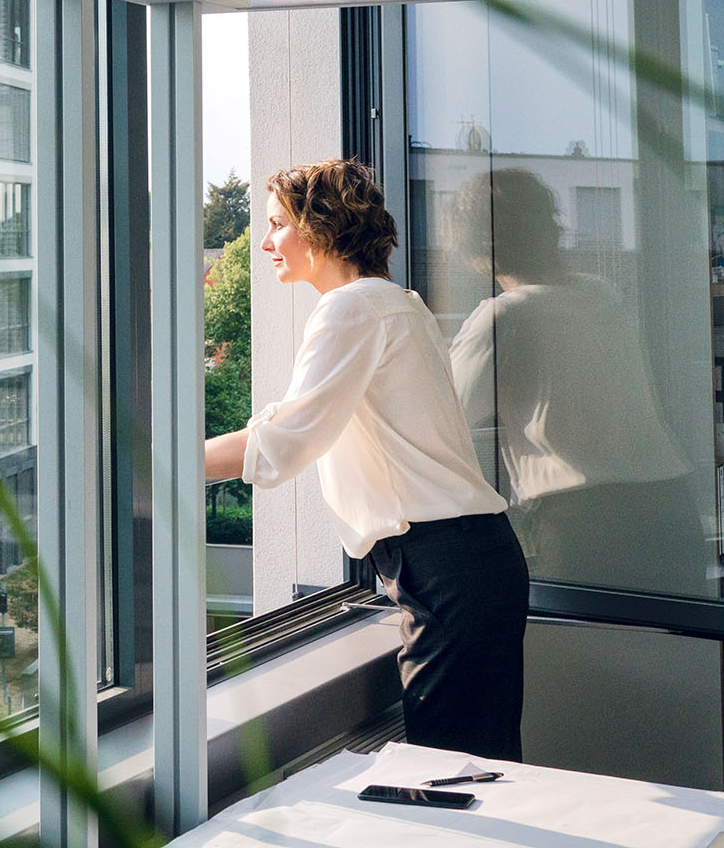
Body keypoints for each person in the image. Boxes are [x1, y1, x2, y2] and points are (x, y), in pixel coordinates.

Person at [203, 158, 527, 760]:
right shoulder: (393, 304)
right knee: (478, 770)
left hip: (446, 568)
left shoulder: (353, 308)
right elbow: (295, 419)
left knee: (450, 774)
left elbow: (286, 443)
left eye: (278, 224)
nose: (268, 241)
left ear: (320, 226)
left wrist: (160, 463)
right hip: (467, 562)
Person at [447, 167, 706, 596]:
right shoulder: (602, 293)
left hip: (589, 523)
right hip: (669, 505)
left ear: (477, 251)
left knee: (591, 660)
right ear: (550, 227)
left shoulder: (503, 317)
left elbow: (445, 413)